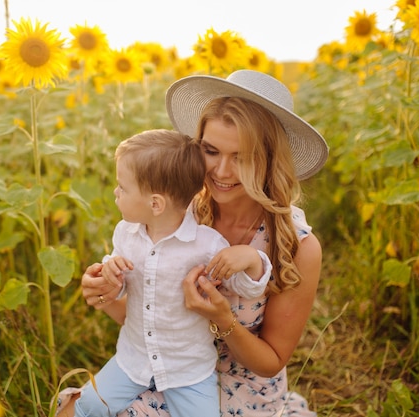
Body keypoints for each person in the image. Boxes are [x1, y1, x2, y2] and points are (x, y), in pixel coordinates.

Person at [59, 69, 328, 416]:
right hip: (165, 367)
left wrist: (220, 317)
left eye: (241, 157)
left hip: (240, 388)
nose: (221, 171)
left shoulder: (297, 246)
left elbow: (270, 362)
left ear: (269, 160)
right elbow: (152, 318)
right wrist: (106, 293)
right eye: (211, 151)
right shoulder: (176, 213)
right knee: (74, 410)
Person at [71, 128, 273, 417]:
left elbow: (245, 287)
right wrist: (109, 273)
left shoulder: (206, 244)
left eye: (122, 188)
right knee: (88, 405)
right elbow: (121, 285)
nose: (116, 192)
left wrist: (252, 260)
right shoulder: (126, 234)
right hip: (133, 358)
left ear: (155, 203)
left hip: (188, 368)